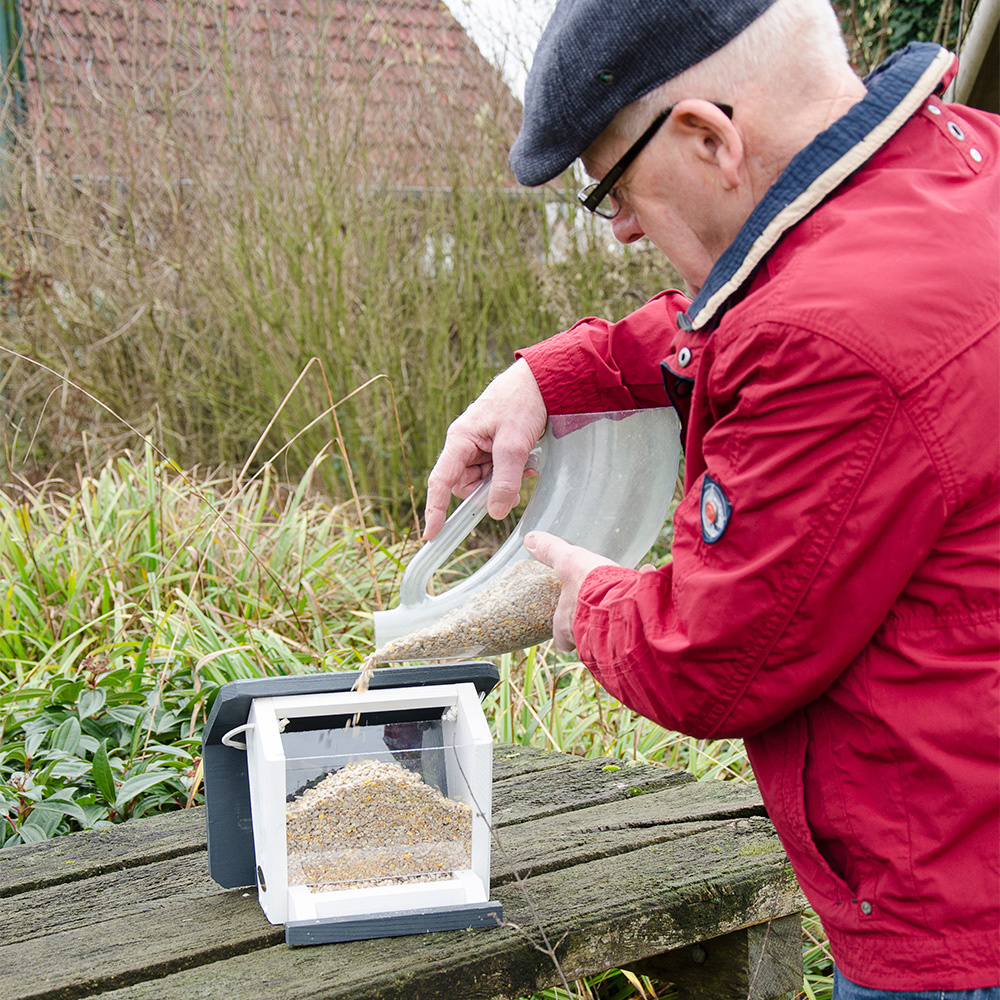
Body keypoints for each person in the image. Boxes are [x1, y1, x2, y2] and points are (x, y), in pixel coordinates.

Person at [421, 0, 1000, 996]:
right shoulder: (964, 164)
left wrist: (584, 601)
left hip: (954, 922)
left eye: (612, 189)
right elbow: (792, 287)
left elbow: (713, 659)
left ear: (706, 137)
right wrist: (560, 373)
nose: (623, 232)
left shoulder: (823, 340)